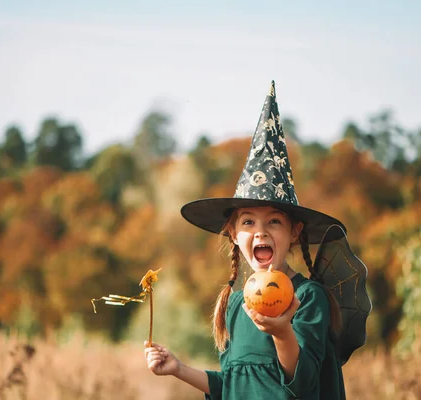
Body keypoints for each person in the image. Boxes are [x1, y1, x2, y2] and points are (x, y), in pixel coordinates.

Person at [144, 81, 348, 399]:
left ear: (294, 232)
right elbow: (234, 386)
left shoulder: (308, 298)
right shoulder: (235, 306)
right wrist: (179, 368)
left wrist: (283, 332)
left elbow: (303, 382)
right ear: (234, 235)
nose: (260, 231)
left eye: (274, 221)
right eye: (248, 221)